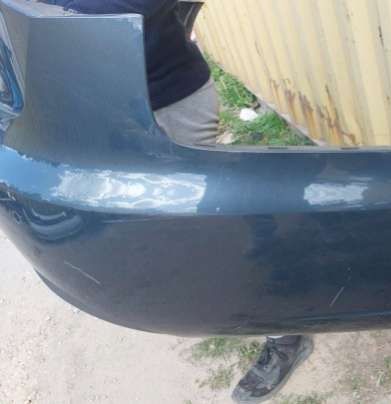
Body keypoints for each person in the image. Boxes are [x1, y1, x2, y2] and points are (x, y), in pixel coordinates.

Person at [41, 1, 313, 402]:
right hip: (93, 110)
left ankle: (285, 333)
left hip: (167, 102)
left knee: (212, 235)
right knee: (156, 227)